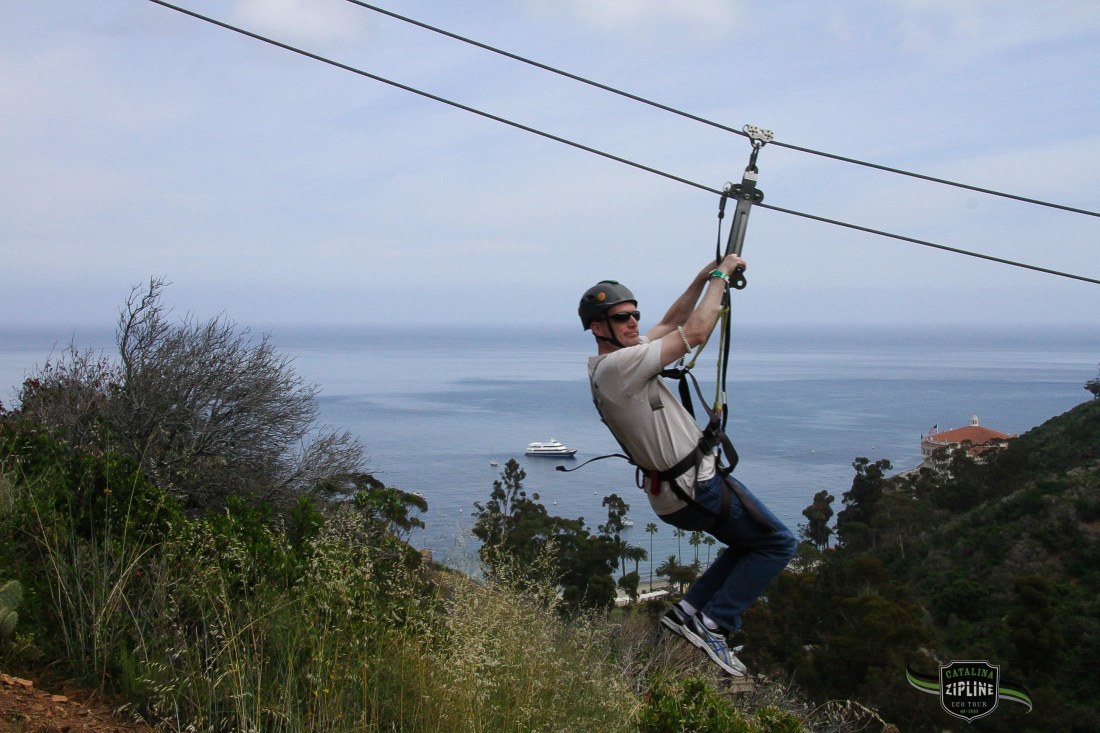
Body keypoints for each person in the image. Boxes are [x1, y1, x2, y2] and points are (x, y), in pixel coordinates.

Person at [579, 255, 796, 676]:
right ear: (597, 328)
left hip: (680, 492)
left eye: (633, 314)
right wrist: (720, 277)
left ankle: (690, 610)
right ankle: (714, 624)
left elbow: (673, 320)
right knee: (778, 544)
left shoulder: (623, 357)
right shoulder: (621, 366)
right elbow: (695, 332)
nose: (633, 322)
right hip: (697, 486)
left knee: (748, 544)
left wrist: (702, 276)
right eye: (622, 317)